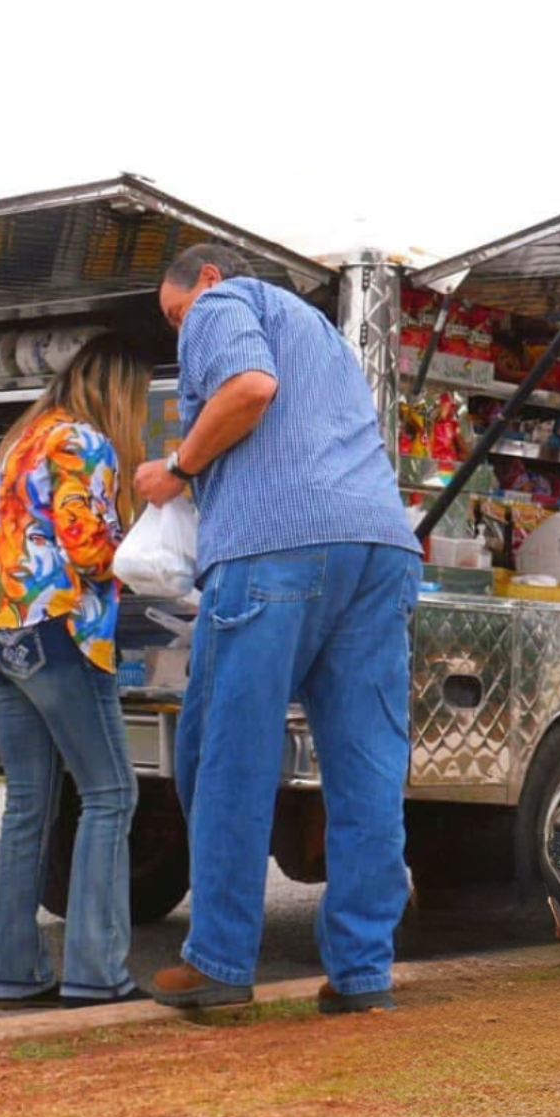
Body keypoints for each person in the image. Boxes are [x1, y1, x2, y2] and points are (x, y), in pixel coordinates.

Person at [133, 244, 422, 1016]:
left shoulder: (224, 304)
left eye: (174, 311)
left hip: (274, 549)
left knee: (223, 754)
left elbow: (249, 388)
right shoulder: (325, 338)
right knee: (365, 770)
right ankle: (362, 974)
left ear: (205, 278)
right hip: (379, 549)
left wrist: (179, 467)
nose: (179, 328)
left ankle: (221, 961)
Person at [0, 337, 151, 1009]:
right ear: (119, 390)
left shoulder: (24, 436)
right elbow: (90, 549)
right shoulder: (83, 440)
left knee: (28, 807)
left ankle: (13, 969)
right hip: (59, 631)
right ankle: (95, 972)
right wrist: (152, 542)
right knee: (110, 795)